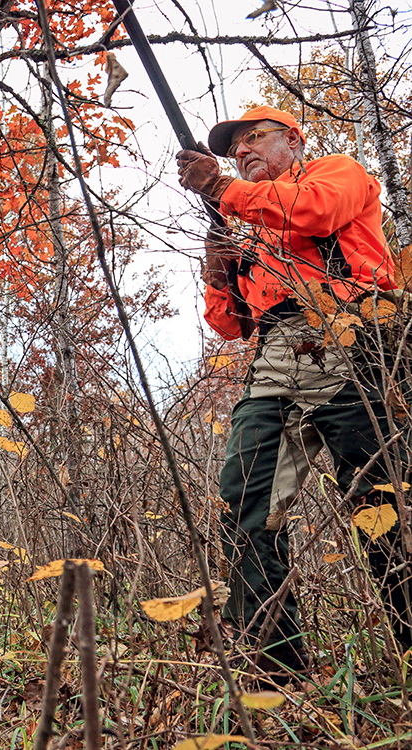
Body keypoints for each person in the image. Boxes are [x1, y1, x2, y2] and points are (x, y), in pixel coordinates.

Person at [176, 105, 410, 679]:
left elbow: (315, 212)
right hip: (277, 358)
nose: (244, 152)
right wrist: (217, 278)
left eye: (256, 138)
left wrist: (224, 189)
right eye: (235, 151)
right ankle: (278, 671)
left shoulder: (337, 173)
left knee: (383, 504)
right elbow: (233, 326)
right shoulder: (248, 228)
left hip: (352, 341)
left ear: (293, 141)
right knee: (246, 504)